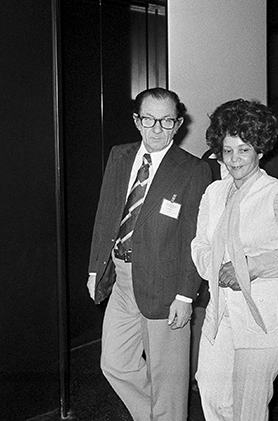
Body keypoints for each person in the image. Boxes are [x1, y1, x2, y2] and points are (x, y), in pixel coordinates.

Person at [87, 87, 211, 421]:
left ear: (178, 124)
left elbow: (193, 236)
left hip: (167, 285)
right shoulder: (120, 155)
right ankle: (159, 416)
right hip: (123, 280)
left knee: (168, 379)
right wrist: (94, 269)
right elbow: (106, 213)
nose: (157, 129)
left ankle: (166, 414)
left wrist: (186, 296)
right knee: (115, 363)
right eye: (149, 120)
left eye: (166, 121)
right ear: (137, 121)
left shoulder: (193, 169)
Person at [191, 98, 278, 420]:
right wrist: (214, 268)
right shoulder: (213, 192)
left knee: (248, 406)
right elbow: (200, 243)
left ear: (259, 150)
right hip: (221, 313)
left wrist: (247, 267)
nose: (234, 159)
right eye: (228, 151)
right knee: (212, 393)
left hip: (266, 317)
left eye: (243, 150)